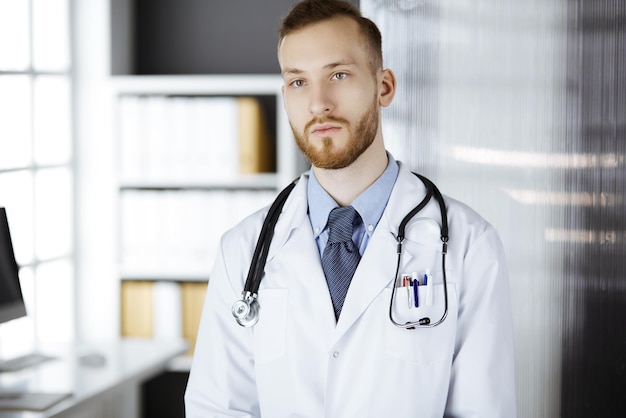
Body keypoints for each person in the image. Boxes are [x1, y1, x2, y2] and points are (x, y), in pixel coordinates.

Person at [185, 0, 516, 416]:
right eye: (298, 82)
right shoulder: (243, 250)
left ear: (384, 87)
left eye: (338, 75)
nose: (319, 103)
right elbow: (218, 407)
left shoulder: (469, 245)